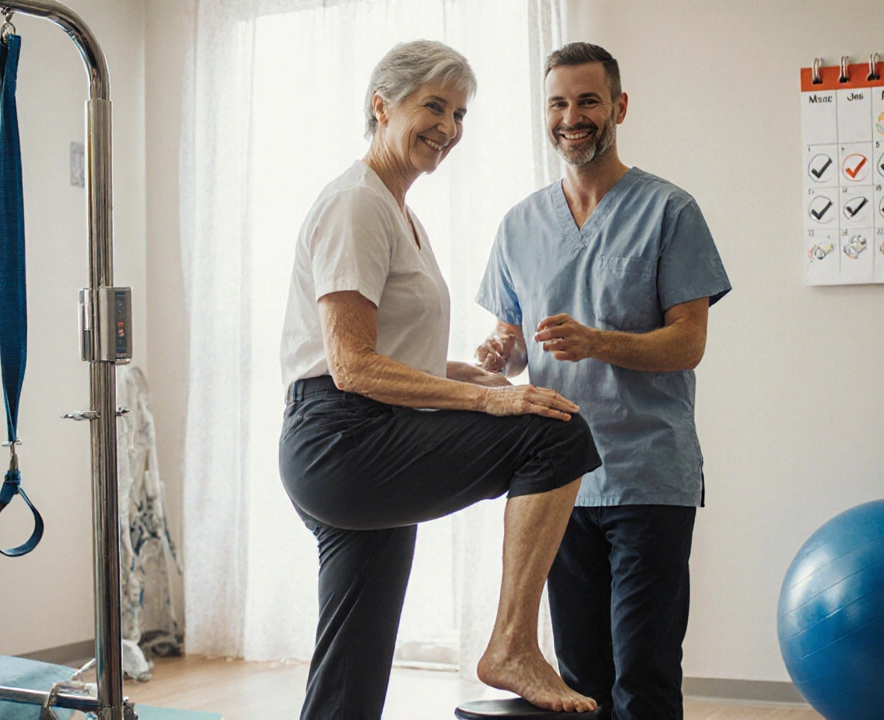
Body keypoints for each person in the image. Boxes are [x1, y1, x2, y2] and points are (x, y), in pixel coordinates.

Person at [278, 40, 601, 720]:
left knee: (352, 666)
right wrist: (491, 400)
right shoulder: (356, 204)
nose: (448, 129)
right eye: (434, 106)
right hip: (340, 440)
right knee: (556, 436)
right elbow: (352, 364)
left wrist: (476, 372)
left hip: (360, 435)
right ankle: (512, 645)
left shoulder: (396, 211)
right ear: (380, 104)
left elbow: (398, 358)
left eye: (459, 114)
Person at [475, 42, 731, 720]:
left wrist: (598, 342)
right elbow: (511, 340)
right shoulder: (520, 225)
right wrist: (502, 350)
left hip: (649, 474)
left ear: (619, 106)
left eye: (588, 101)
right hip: (558, 483)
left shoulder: (670, 211)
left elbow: (688, 343)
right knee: (577, 680)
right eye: (558, 103)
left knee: (643, 675)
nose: (572, 116)